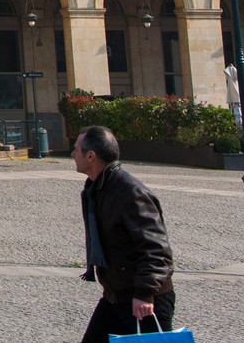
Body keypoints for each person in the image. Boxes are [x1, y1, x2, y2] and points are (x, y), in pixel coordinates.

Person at [72, 125, 176, 341]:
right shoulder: (96, 188)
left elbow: (156, 249)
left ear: (91, 156)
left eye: (76, 149)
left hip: (144, 299)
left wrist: (144, 293)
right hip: (116, 295)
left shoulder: (129, 192)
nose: (72, 154)